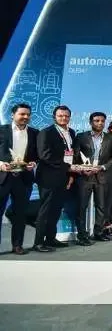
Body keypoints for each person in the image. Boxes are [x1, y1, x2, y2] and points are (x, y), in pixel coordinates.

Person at [33, 105, 80, 252]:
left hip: (64, 176)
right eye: (60, 116)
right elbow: (44, 155)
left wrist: (71, 173)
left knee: (56, 209)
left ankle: (50, 238)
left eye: (66, 116)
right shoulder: (46, 132)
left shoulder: (71, 132)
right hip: (48, 177)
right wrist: (67, 167)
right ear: (54, 117)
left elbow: (71, 154)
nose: (63, 118)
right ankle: (38, 242)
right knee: (45, 210)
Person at [75, 112, 112, 243]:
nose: (100, 123)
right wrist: (82, 169)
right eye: (96, 120)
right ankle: (82, 235)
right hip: (85, 176)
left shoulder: (110, 138)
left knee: (101, 206)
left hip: (101, 175)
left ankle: (99, 232)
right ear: (91, 122)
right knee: (82, 207)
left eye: (102, 121)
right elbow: (75, 156)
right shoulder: (81, 137)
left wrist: (103, 167)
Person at [0, 103, 38, 255]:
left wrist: (33, 163)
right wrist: (0, 164)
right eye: (22, 114)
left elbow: (36, 154)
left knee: (20, 214)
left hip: (23, 178)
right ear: (13, 115)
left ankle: (17, 245)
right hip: (3, 177)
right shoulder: (2, 130)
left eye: (28, 114)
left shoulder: (35, 133)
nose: (25, 117)